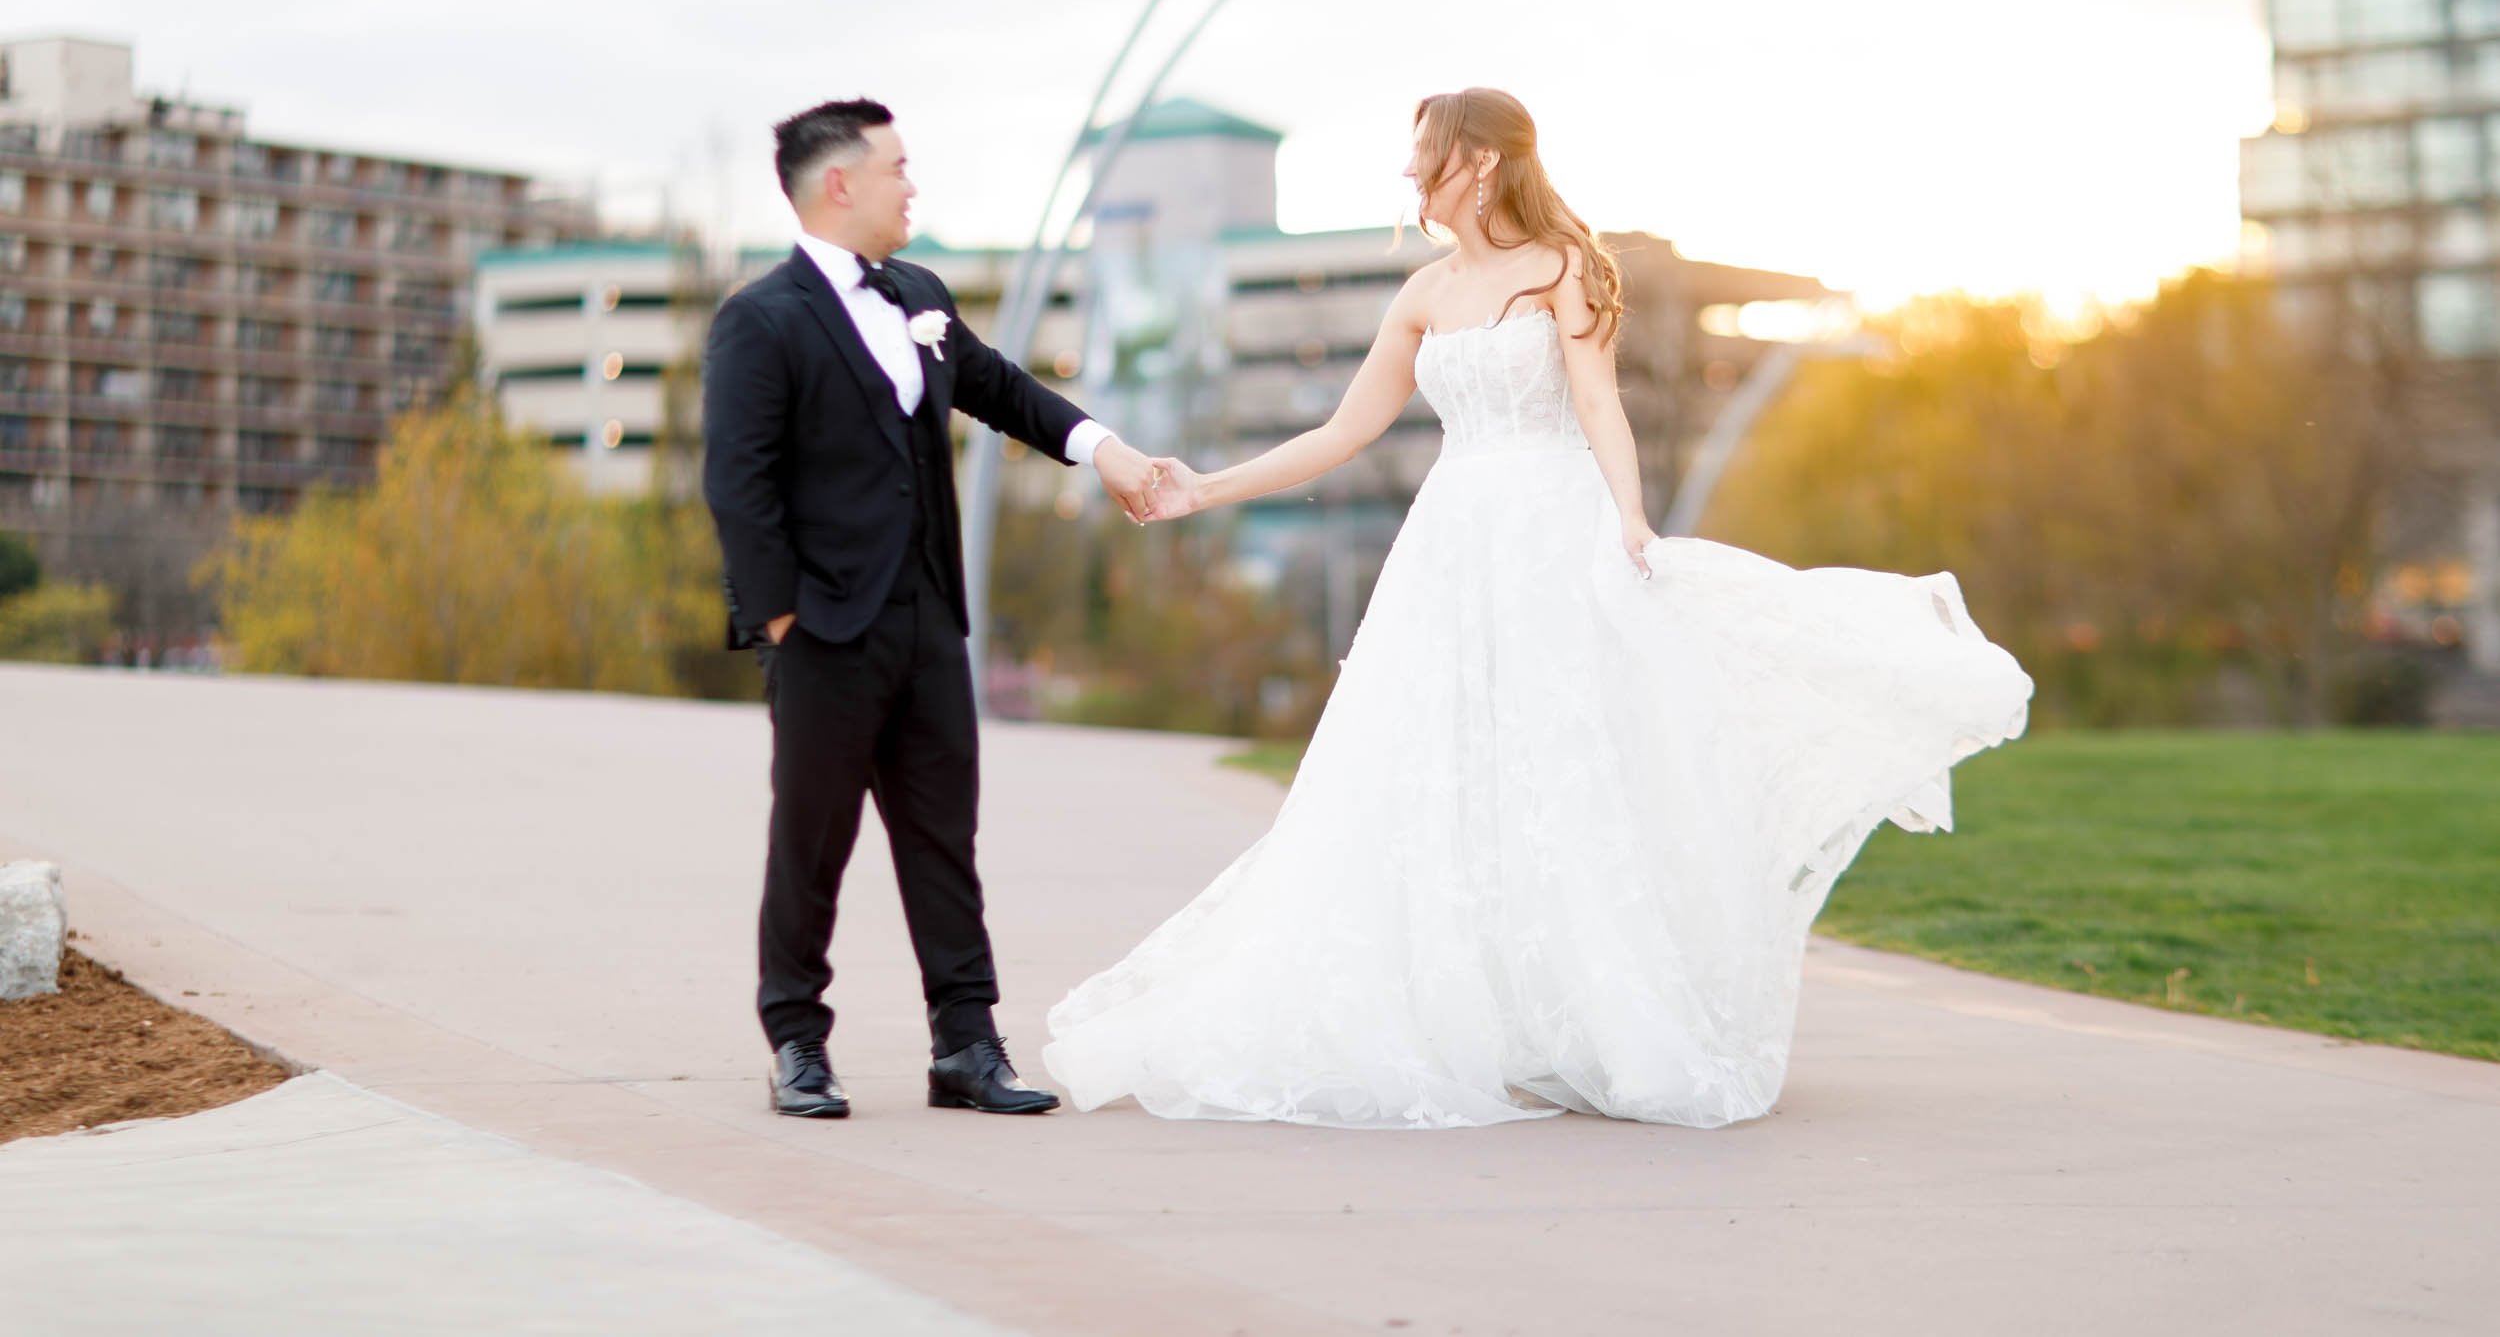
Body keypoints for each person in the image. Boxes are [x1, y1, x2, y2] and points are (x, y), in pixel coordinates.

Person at [1043, 87, 2035, 1129]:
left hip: (1553, 532)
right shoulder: (1422, 294)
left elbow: (1599, 402)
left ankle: (1584, 1022)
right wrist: (1204, 487)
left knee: (1563, 765)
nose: (1412, 171)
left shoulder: (1563, 266)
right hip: (1452, 545)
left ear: (1477, 159)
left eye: (1425, 152)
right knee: (1449, 769)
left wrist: (1632, 520)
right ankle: (1482, 1020)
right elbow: (1343, 432)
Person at [704, 97, 1166, 1120]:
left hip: (925, 622)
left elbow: (1000, 387)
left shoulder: (921, 294)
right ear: (839, 184)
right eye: (898, 167)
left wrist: (1108, 452)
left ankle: (966, 1044)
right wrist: (780, 622)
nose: (912, 185)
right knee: (810, 844)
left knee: (942, 841)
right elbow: (739, 486)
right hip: (823, 631)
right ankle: (797, 1043)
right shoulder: (759, 318)